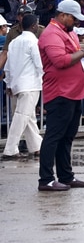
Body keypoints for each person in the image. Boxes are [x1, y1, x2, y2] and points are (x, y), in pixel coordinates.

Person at [37, 0, 84, 191]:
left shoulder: (68, 32)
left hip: (73, 92)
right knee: (54, 136)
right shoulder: (51, 34)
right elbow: (60, 61)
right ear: (63, 15)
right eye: (74, 18)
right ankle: (46, 179)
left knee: (67, 137)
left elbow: (72, 57)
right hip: (60, 93)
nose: (77, 22)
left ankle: (66, 176)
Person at [2, 15, 43, 160]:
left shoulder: (14, 42)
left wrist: (8, 82)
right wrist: (44, 78)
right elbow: (39, 64)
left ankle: (36, 146)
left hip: (16, 84)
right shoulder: (33, 42)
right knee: (22, 117)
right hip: (30, 84)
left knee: (28, 117)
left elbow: (8, 65)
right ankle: (10, 149)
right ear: (33, 26)